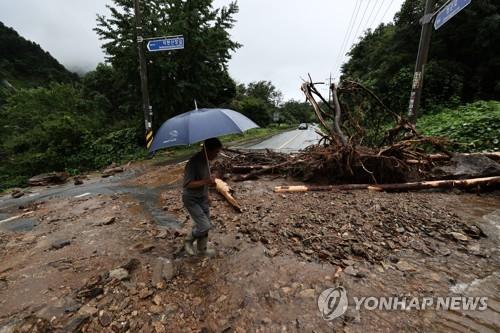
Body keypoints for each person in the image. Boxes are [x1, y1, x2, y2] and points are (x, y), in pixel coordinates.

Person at [182, 137, 222, 256]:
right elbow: (188, 184)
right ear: (207, 150)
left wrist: (208, 192)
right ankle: (188, 241)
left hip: (203, 197)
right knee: (204, 226)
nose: (217, 155)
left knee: (206, 224)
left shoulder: (206, 160)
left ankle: (202, 250)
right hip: (191, 199)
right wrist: (206, 181)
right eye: (215, 152)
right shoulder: (193, 163)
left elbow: (205, 180)